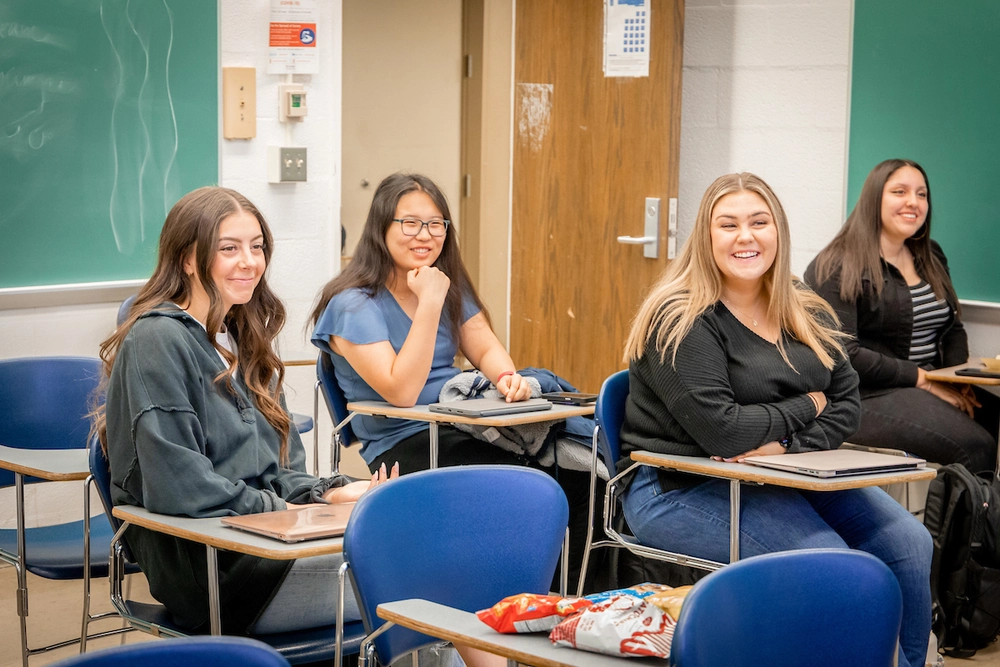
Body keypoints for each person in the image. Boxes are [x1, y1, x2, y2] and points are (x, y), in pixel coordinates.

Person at [618, 173, 932, 667]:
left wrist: (784, 445)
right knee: (834, 567)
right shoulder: (678, 319)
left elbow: (848, 402)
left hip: (780, 472)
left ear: (778, 231)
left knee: (909, 542)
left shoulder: (799, 301)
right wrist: (807, 406)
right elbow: (724, 432)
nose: (746, 236)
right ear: (705, 237)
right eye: (729, 225)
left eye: (759, 222)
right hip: (680, 485)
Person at [93, 186, 396, 636]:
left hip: (272, 546)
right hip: (218, 570)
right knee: (424, 579)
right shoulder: (156, 340)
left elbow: (282, 471)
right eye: (229, 248)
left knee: (421, 546)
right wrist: (285, 512)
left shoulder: (244, 341)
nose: (250, 261)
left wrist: (327, 495)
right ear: (188, 258)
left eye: (257, 247)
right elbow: (182, 489)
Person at [310, 173, 595, 581]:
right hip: (404, 440)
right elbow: (402, 391)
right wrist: (429, 300)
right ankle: (514, 602)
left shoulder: (449, 285)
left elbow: (484, 346)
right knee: (525, 488)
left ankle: (575, 600)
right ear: (380, 228)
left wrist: (505, 377)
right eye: (409, 222)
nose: (424, 234)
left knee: (581, 475)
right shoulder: (352, 304)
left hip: (460, 420)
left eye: (436, 223)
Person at [805, 159, 998, 474]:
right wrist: (921, 379)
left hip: (927, 384)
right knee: (976, 446)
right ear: (874, 199)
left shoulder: (931, 254)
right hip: (864, 396)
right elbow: (843, 355)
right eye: (900, 191)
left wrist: (957, 380)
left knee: (993, 421)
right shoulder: (835, 265)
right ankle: (942, 525)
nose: (914, 202)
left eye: (922, 194)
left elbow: (952, 330)